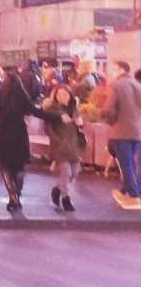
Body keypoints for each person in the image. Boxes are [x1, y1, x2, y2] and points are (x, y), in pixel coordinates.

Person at [0, 70, 47, 212]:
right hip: (20, 133)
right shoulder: (22, 97)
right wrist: (56, 117)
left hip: (4, 133)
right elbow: (37, 112)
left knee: (5, 165)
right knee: (19, 165)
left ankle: (12, 196)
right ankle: (17, 194)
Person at [104, 59, 141, 209]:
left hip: (121, 130)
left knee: (126, 164)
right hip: (137, 130)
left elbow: (109, 108)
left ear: (121, 69)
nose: (112, 72)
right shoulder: (137, 85)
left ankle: (133, 195)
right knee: (132, 163)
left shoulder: (116, 85)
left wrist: (110, 119)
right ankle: (125, 191)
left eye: (114, 69)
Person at [41, 84, 83, 212]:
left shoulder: (74, 109)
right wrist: (57, 140)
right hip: (59, 147)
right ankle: (66, 199)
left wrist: (80, 124)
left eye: (65, 94)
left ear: (70, 95)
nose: (62, 97)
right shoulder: (52, 110)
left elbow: (78, 128)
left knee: (74, 173)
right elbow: (48, 128)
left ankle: (58, 189)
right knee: (66, 172)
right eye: (59, 94)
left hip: (73, 146)